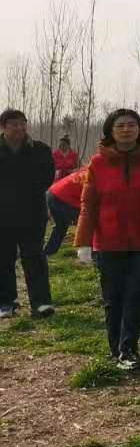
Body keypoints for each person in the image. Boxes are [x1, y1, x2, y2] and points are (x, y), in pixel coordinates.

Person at [74, 109, 140, 369]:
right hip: (109, 241)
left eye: (132, 125)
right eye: (120, 125)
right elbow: (89, 205)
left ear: (139, 129)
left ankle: (129, 350)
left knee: (135, 294)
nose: (126, 130)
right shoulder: (98, 163)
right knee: (113, 297)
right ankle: (116, 349)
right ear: (110, 130)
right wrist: (83, 241)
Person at [0, 109, 55, 320]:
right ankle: (6, 302)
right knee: (3, 258)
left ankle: (41, 302)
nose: (19, 128)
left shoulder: (40, 149)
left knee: (34, 256)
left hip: (32, 213)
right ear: (3, 127)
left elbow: (47, 178)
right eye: (14, 124)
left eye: (22, 123)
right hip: (2, 216)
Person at [46, 167, 88, 257]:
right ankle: (89, 255)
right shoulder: (97, 176)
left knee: (61, 226)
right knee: (86, 224)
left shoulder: (89, 168)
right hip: (63, 198)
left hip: (53, 193)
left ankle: (48, 252)